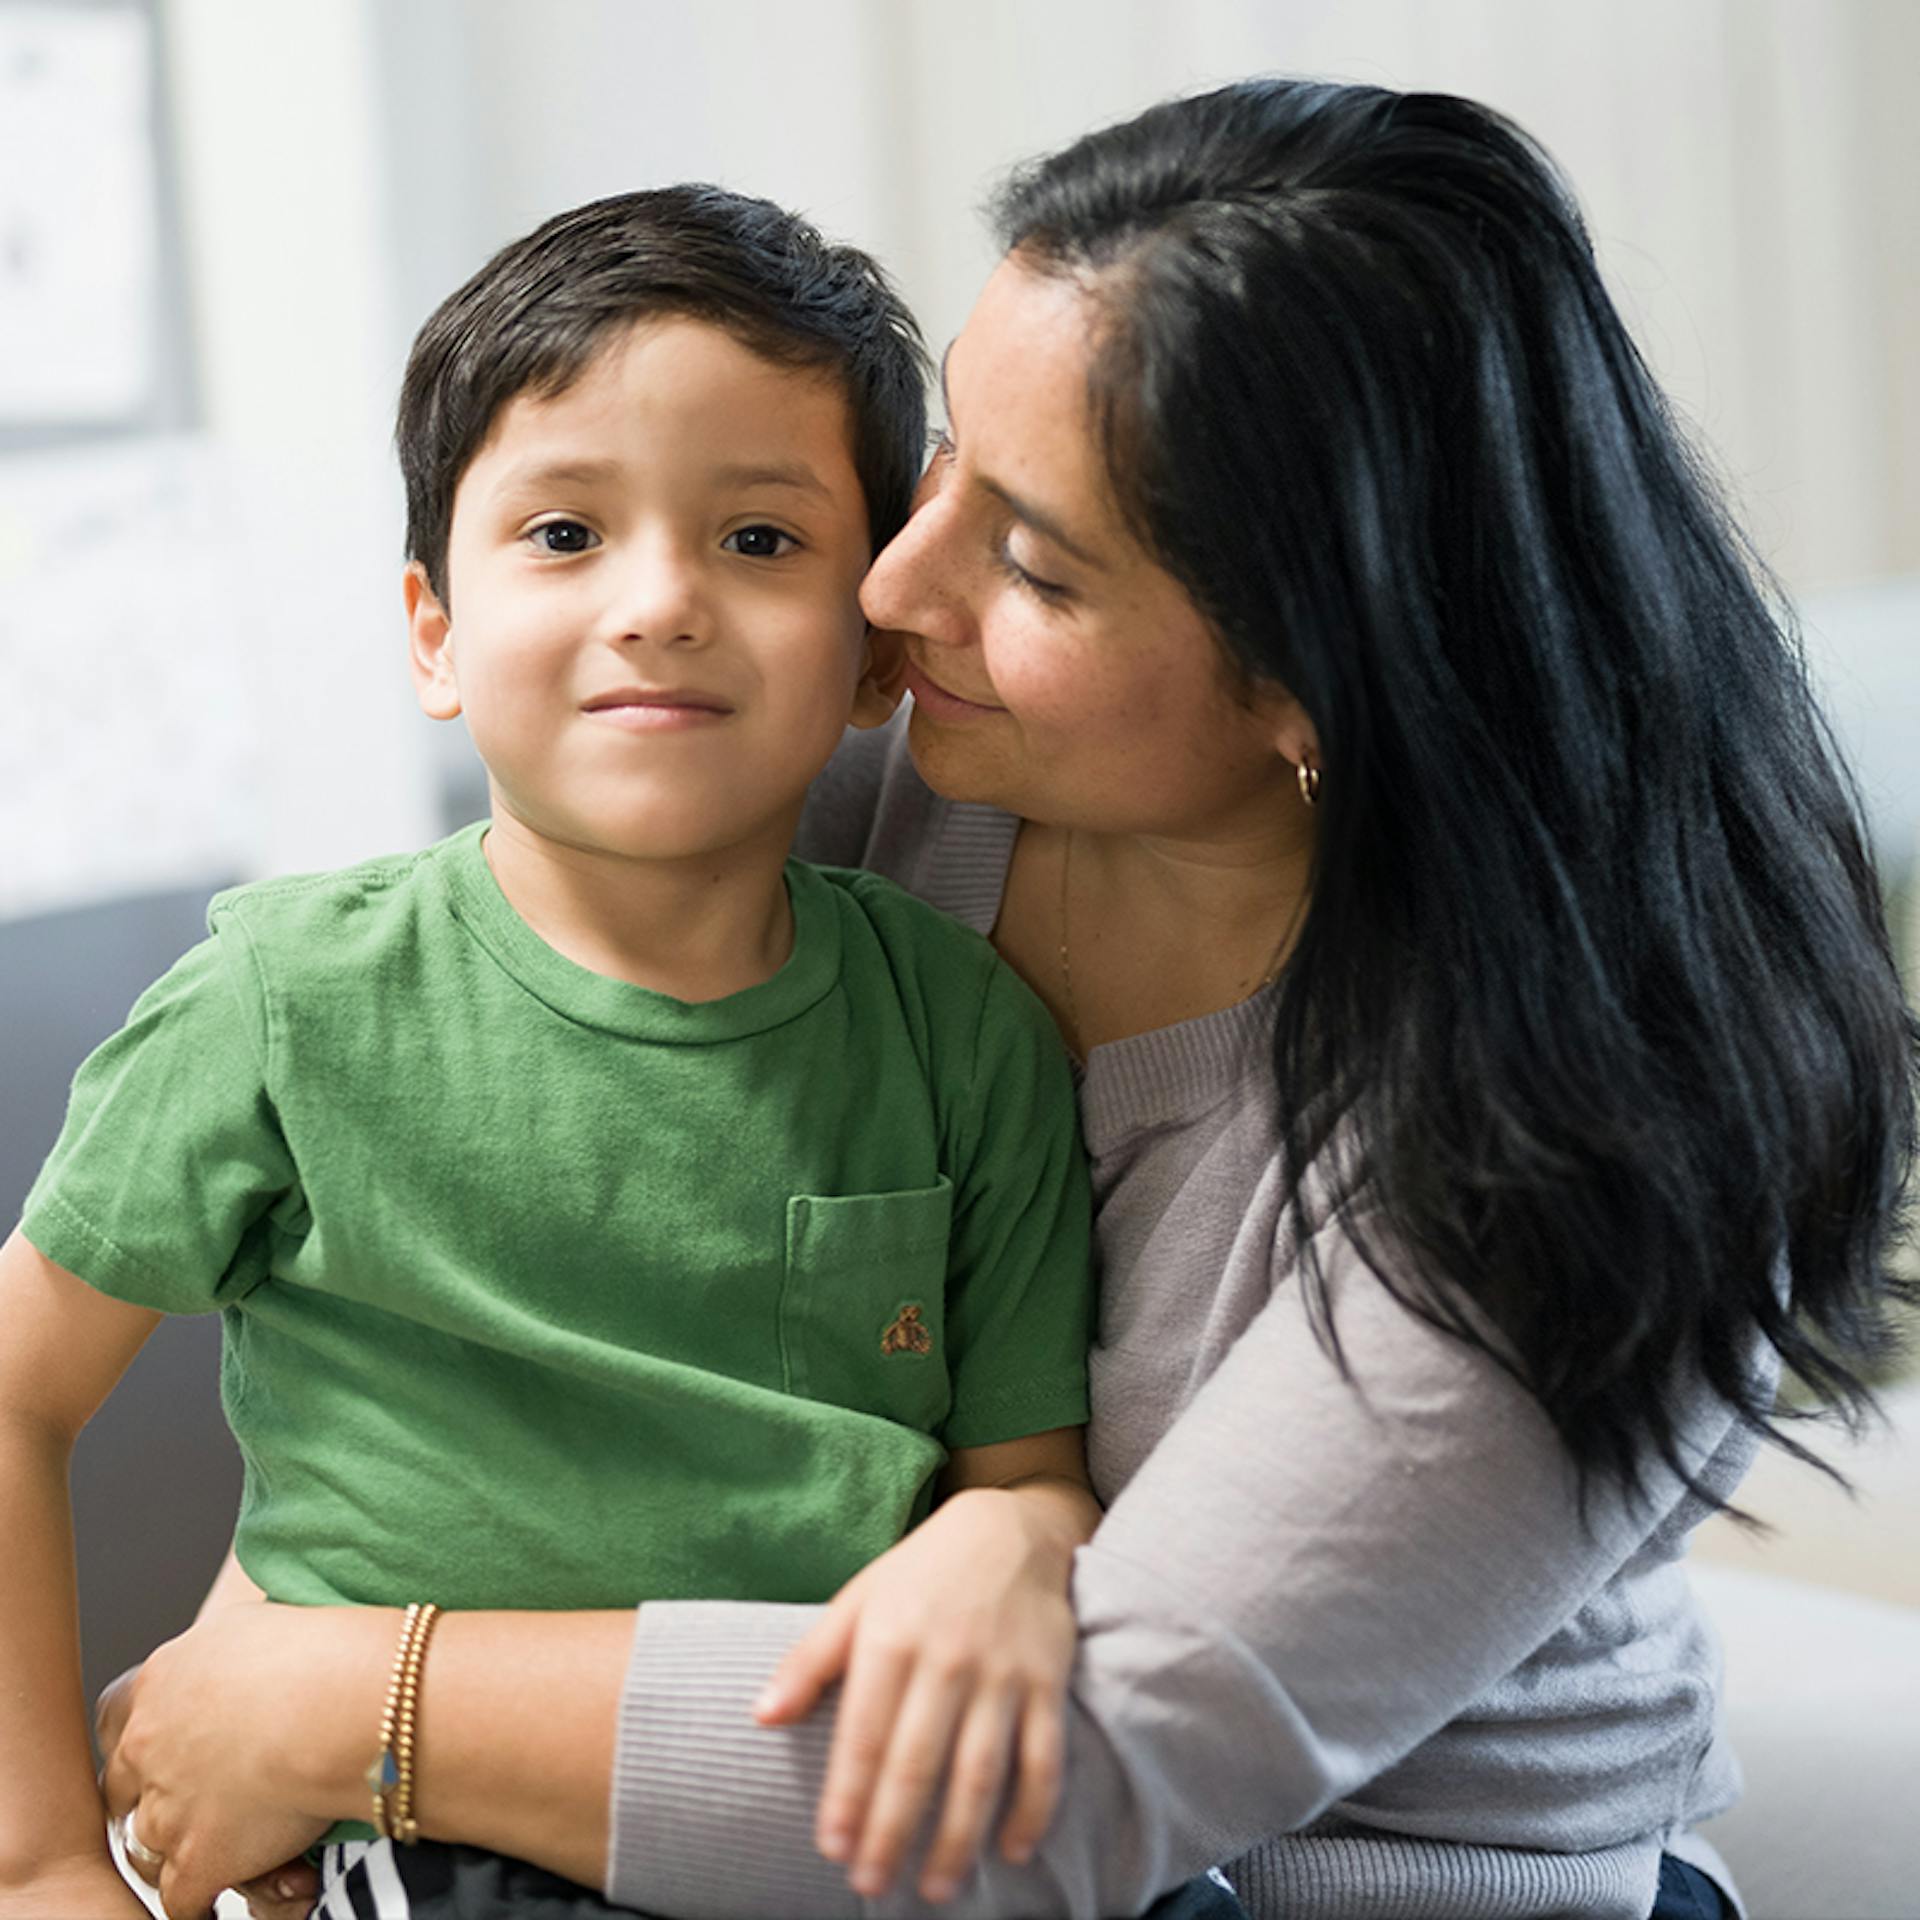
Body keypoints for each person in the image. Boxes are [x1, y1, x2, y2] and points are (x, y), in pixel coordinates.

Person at [93, 77, 1914, 1920]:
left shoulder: (1592, 1147)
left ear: (1317, 687)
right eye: (949, 455)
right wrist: (285, 1621)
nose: (898, 577)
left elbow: (1077, 1790)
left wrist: (356, 1701)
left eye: (1033, 558)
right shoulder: (889, 787)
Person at [0, 183, 1223, 1920]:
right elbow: (14, 1384)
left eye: (759, 542)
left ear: (879, 656)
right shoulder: (287, 1001)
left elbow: (1023, 1485)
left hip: (806, 1810)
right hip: (421, 1830)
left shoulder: (965, 1032)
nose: (658, 604)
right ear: (434, 629)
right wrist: (40, 1858)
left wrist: (1006, 1548)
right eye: (566, 535)